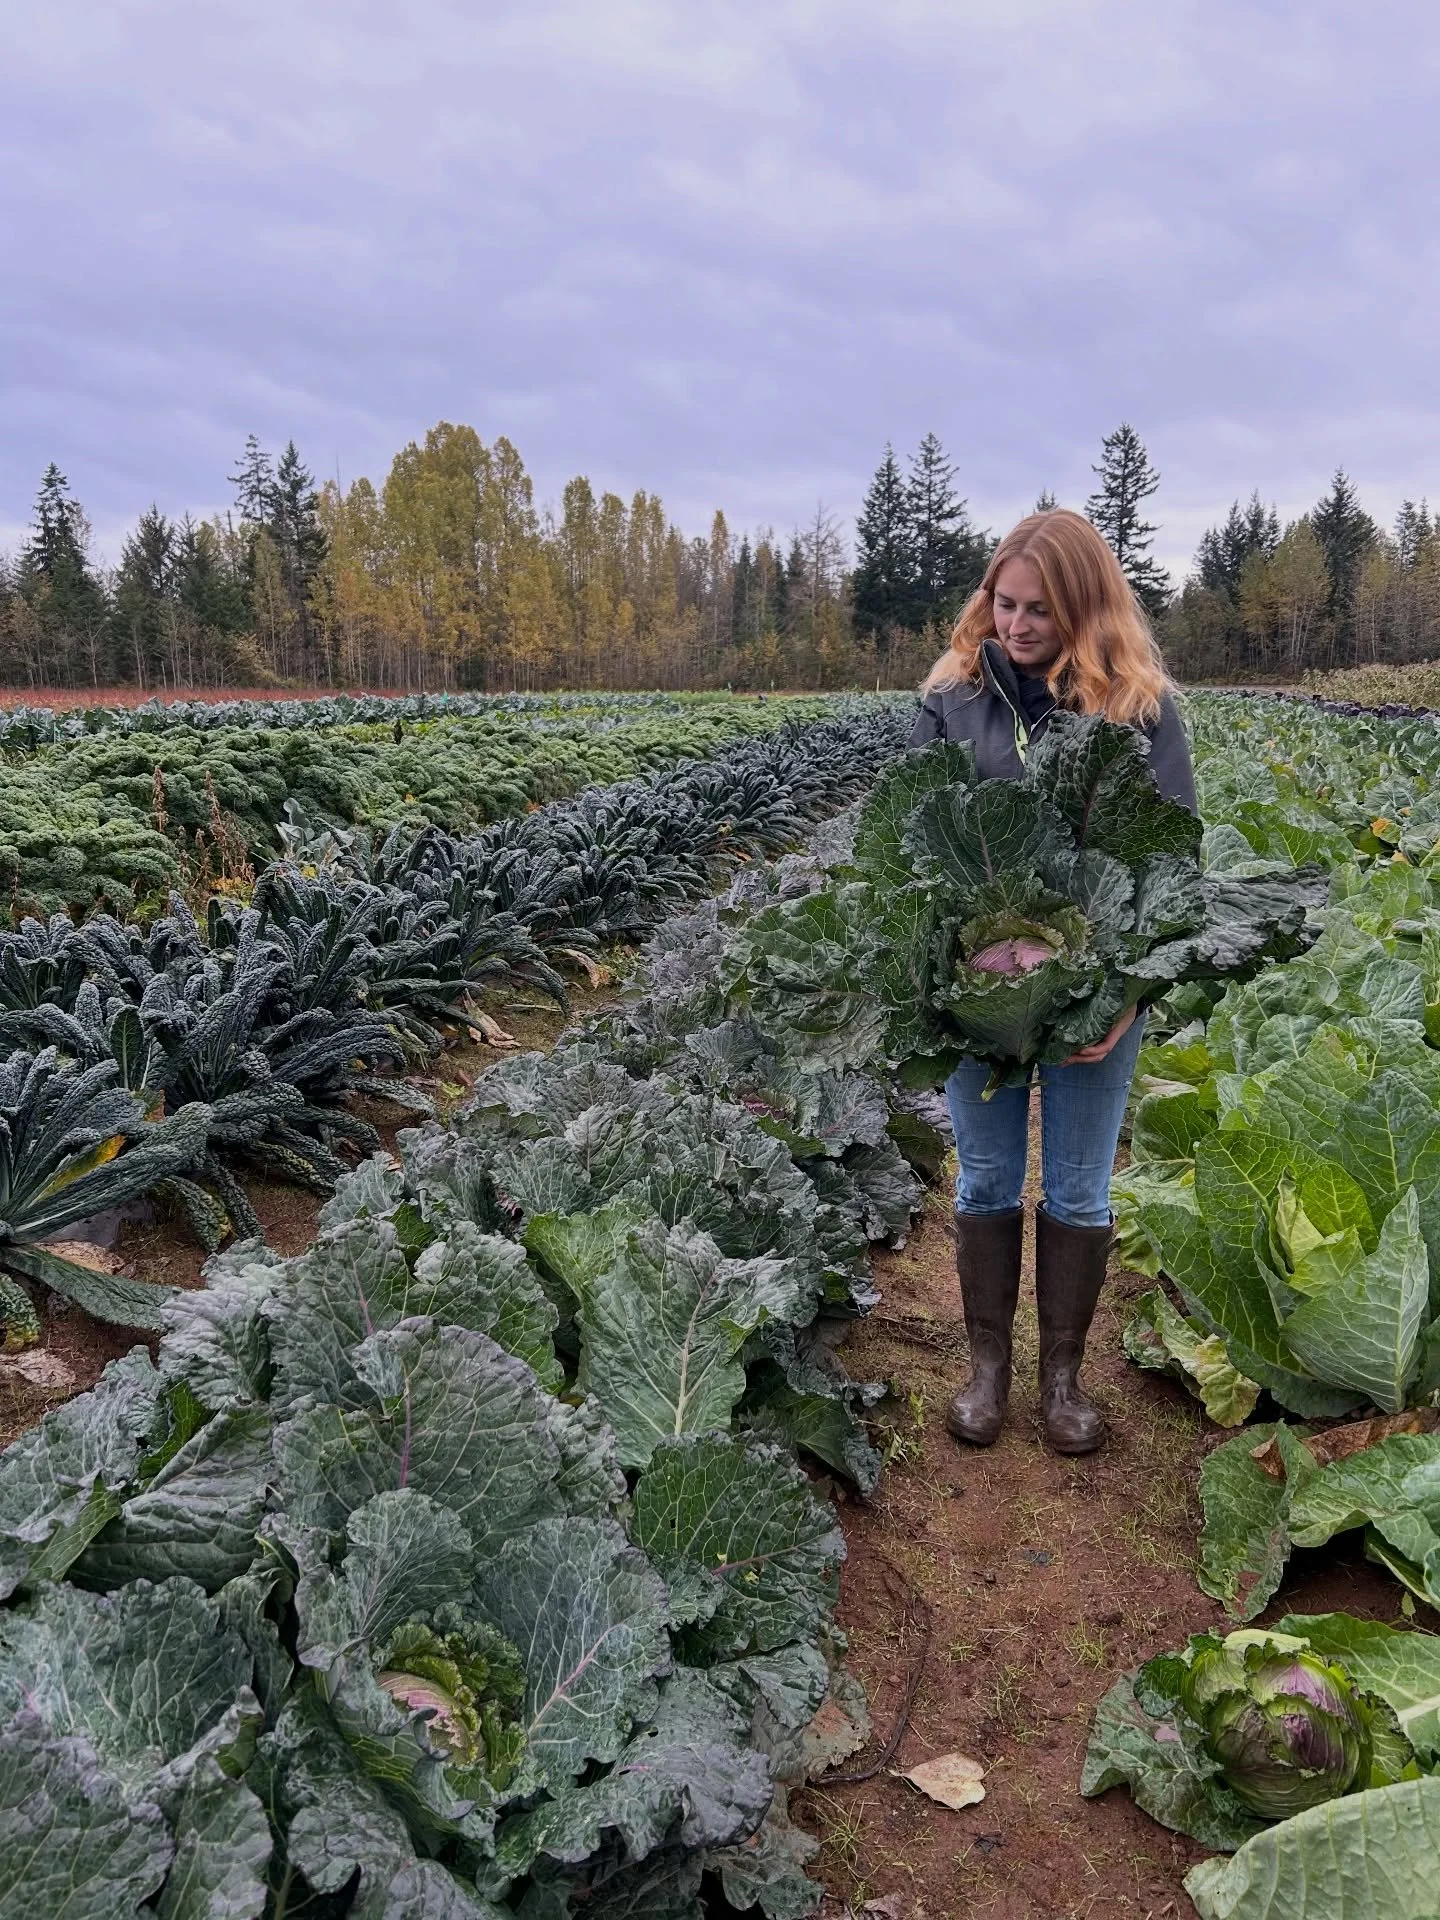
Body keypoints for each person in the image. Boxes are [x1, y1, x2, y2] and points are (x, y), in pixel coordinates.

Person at [910, 508, 1196, 1456]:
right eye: (1005, 604)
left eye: (1040, 609)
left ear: (1085, 607)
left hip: (1094, 993)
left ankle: (1062, 1380)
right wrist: (943, 980)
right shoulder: (951, 699)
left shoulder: (1139, 708)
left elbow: (1171, 874)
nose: (1017, 625)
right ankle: (987, 1369)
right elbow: (912, 854)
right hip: (978, 992)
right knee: (987, 1174)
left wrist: (1123, 1002)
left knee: (1078, 1186)